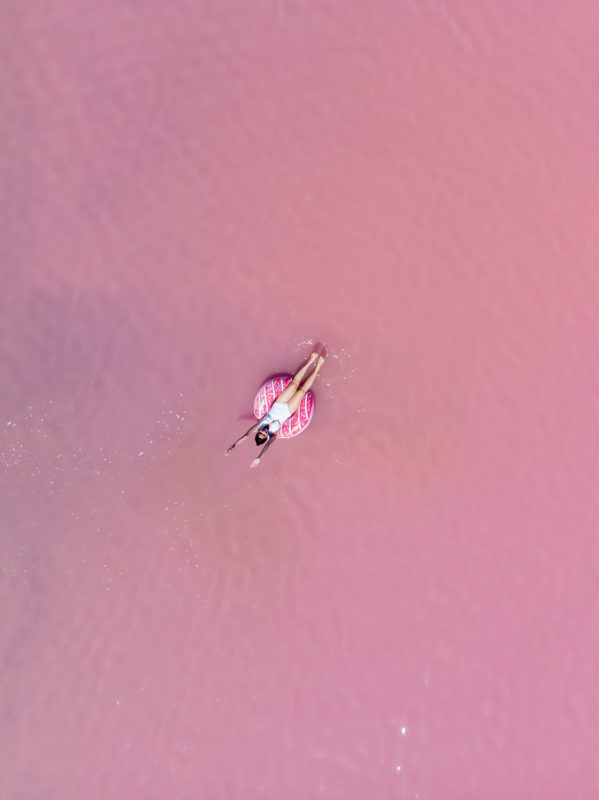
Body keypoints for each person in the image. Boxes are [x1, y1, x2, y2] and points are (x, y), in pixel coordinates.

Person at [226, 353, 325, 468]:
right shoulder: (272, 434)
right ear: (266, 436)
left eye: (261, 433)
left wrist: (233, 446)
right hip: (288, 410)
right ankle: (318, 367)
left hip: (279, 403)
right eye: (264, 434)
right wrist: (259, 458)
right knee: (302, 390)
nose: (263, 432)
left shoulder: (260, 425)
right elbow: (267, 446)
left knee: (294, 384)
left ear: (258, 432)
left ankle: (310, 361)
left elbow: (246, 435)